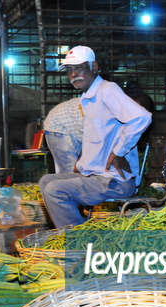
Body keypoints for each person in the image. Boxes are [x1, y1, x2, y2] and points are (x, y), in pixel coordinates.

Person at [39, 46, 152, 228]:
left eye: (79, 68)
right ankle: (81, 228)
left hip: (114, 181)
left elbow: (142, 117)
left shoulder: (107, 90)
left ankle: (79, 243)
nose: (73, 74)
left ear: (94, 67)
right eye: (69, 70)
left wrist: (119, 152)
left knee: (55, 190)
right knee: (47, 181)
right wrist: (83, 161)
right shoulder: (89, 98)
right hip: (96, 175)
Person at [43, 98, 84, 174]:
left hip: (74, 126)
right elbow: (91, 139)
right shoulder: (99, 110)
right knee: (71, 170)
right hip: (59, 126)